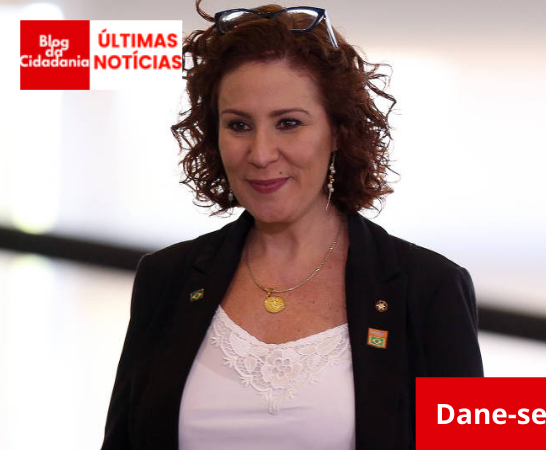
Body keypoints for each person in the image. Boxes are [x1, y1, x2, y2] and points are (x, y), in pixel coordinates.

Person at [102, 3, 483, 449]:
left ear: (337, 131)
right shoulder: (166, 279)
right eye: (239, 125)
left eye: (288, 123)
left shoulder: (429, 288)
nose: (261, 153)